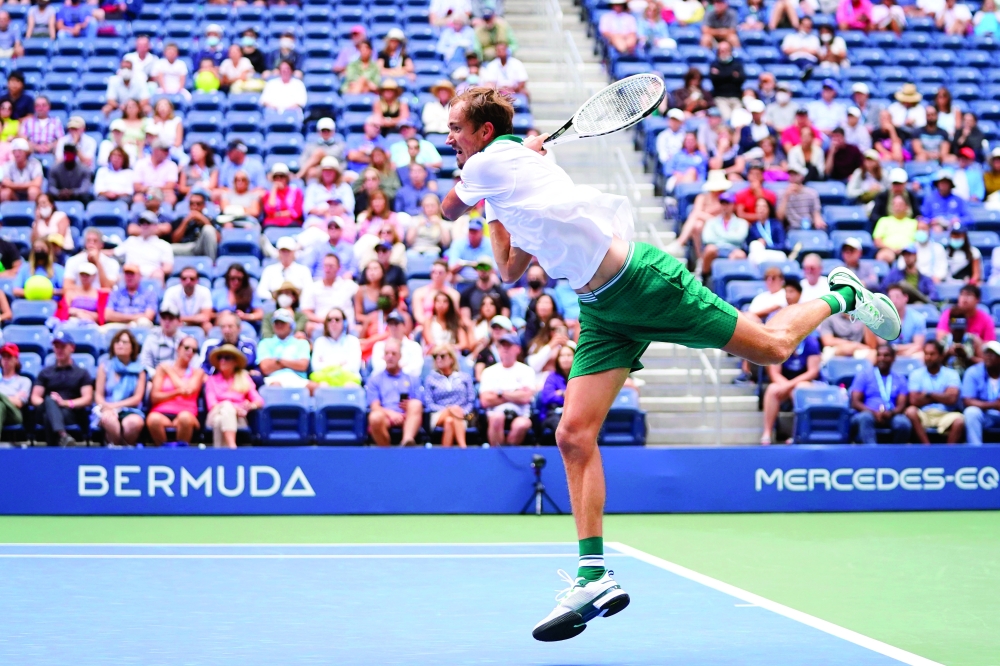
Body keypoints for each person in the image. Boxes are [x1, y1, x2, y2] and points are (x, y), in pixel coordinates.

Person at [440, 88, 899, 638]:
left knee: (773, 348)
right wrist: (495, 212)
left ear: (485, 133)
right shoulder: (507, 174)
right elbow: (511, 269)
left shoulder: (495, 162)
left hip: (644, 283)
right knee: (573, 435)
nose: (449, 139)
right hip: (603, 312)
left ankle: (841, 295)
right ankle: (593, 575)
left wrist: (495, 180)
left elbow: (446, 207)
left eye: (456, 129)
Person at [31, 330, 93, 447]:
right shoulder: (45, 372)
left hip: (70, 413)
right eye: (56, 346)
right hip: (45, 407)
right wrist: (51, 404)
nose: (59, 350)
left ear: (72, 348)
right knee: (50, 400)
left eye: (63, 346)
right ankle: (63, 435)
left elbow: (88, 398)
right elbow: (35, 397)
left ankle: (54, 450)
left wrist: (64, 403)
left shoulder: (82, 373)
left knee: (48, 415)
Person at [760, 332, 821, 445]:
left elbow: (813, 372)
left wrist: (791, 386)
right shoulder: (776, 342)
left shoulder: (811, 342)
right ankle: (767, 433)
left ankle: (797, 434)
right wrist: (787, 386)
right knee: (772, 389)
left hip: (803, 382)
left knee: (800, 390)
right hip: (782, 382)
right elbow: (774, 374)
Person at [478, 332, 536, 446]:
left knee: (521, 425)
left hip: (521, 413)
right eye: (502, 345)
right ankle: (497, 456)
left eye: (508, 345)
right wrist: (515, 393)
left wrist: (499, 393)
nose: (505, 348)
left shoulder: (527, 370)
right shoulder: (489, 372)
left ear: (518, 349)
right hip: (495, 412)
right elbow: (485, 401)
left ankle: (508, 455)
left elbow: (526, 397)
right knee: (497, 418)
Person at [146, 335, 204, 446]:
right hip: (161, 412)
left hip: (188, 413)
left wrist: (170, 372)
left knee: (184, 418)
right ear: (178, 348)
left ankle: (181, 453)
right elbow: (154, 397)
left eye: (194, 350)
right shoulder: (161, 370)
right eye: (187, 348)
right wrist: (177, 392)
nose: (190, 352)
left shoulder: (197, 372)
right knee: (153, 419)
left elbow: (188, 391)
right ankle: (164, 453)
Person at [366, 337, 424, 446]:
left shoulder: (412, 379)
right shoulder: (375, 380)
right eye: (387, 353)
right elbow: (375, 406)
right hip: (386, 416)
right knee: (374, 417)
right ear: (383, 356)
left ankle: (407, 441)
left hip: (407, 416)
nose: (390, 357)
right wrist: (392, 414)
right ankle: (387, 451)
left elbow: (419, 403)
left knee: (415, 404)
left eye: (393, 353)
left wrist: (408, 407)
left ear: (400, 356)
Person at [94, 329, 146, 447]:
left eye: (124, 342)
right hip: (105, 409)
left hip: (130, 410)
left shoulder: (139, 370)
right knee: (109, 420)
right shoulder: (105, 367)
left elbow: (137, 398)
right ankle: (119, 451)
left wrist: (114, 406)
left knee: (133, 423)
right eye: (117, 342)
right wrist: (106, 408)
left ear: (132, 348)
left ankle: (122, 451)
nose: (120, 344)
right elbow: (98, 395)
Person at [850, 343, 911, 444]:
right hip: (867, 412)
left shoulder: (900, 378)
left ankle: (895, 454)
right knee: (865, 418)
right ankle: (872, 453)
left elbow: (902, 404)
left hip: (891, 414)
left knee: (903, 423)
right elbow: (855, 402)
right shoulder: (864, 375)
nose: (882, 358)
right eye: (879, 355)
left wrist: (891, 413)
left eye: (886, 355)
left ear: (893, 358)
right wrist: (874, 413)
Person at [205, 344, 263, 449]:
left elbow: (259, 401)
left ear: (235, 362)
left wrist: (250, 406)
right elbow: (212, 405)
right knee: (226, 406)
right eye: (220, 357)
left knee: (220, 420)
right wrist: (234, 407)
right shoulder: (211, 380)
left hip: (238, 419)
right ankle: (232, 448)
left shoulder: (244, 378)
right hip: (214, 414)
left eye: (227, 358)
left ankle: (220, 457)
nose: (222, 360)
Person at [906, 340, 964, 445]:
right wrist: (942, 395)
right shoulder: (916, 374)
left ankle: (948, 455)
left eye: (932, 354)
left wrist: (928, 394)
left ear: (941, 356)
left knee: (959, 421)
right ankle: (927, 449)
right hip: (924, 414)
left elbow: (951, 399)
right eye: (926, 354)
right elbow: (914, 400)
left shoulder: (952, 374)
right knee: (910, 411)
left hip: (946, 414)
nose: (928, 357)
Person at [423, 343, 476, 448]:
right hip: (438, 415)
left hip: (462, 416)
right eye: (435, 356)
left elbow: (471, 400)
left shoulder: (465, 377)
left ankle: (445, 459)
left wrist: (462, 412)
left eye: (442, 356)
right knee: (453, 411)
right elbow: (429, 403)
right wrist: (448, 410)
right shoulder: (430, 379)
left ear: (452, 359)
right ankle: (463, 448)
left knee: (449, 422)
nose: (438, 359)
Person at [258, 309, 311, 388]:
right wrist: (292, 363)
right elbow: (265, 368)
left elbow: (303, 365)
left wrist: (279, 361)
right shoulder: (265, 343)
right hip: (273, 378)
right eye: (276, 322)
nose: (279, 325)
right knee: (275, 386)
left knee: (316, 387)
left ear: (291, 325)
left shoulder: (302, 343)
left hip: (298, 379)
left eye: (282, 323)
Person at [700, 190, 748, 280]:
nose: (725, 206)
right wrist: (728, 236)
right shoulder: (711, 222)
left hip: (733, 249)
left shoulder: (742, 223)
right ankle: (704, 277)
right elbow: (707, 238)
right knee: (710, 249)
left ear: (733, 205)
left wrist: (719, 235)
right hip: (716, 249)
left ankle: (727, 277)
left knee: (740, 255)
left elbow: (739, 238)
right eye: (722, 203)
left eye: (728, 203)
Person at [961, 340, 1000, 446]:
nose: (988, 356)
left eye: (993, 354)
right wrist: (994, 405)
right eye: (986, 353)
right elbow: (967, 401)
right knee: (971, 412)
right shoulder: (973, 372)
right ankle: (976, 451)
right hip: (984, 415)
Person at [114, 212, 173, 281]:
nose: (145, 225)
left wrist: (159, 271)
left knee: (158, 275)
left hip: (151, 275)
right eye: (142, 223)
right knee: (117, 277)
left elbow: (168, 267)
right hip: (131, 273)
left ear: (155, 226)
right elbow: (114, 253)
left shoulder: (164, 245)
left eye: (148, 223)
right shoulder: (131, 240)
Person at [311, 308, 362, 377]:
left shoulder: (353, 341)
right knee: (322, 386)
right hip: (324, 378)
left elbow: (354, 367)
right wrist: (340, 363)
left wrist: (326, 362)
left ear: (344, 322)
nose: (333, 322)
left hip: (348, 378)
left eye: (337, 319)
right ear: (326, 323)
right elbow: (315, 367)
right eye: (329, 320)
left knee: (350, 386)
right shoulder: (319, 341)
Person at [371, 310, 423, 376]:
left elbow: (415, 371)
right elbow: (378, 368)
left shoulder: (414, 347)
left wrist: (394, 369)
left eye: (396, 324)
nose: (393, 327)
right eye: (390, 324)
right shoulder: (379, 346)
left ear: (404, 327)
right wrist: (401, 366)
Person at [105, 264, 157, 330]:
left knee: (144, 322)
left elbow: (148, 316)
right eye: (127, 274)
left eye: (132, 274)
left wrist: (119, 316)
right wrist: (133, 317)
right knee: (103, 330)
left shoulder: (149, 294)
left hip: (138, 324)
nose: (129, 277)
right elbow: (107, 315)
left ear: (139, 276)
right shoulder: (115, 293)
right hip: (118, 325)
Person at [162, 267, 214, 333]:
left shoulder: (204, 291)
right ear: (180, 280)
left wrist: (181, 318)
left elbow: (206, 317)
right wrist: (195, 318)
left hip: (197, 324)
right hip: (177, 323)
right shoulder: (171, 292)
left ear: (197, 280)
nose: (188, 281)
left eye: (192, 279)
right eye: (184, 278)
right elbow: (167, 315)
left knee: (207, 326)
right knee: (168, 323)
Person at [885, 284, 927, 358]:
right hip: (888, 354)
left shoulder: (918, 318)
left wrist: (897, 349)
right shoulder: (882, 318)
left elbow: (918, 345)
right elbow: (880, 345)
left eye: (897, 297)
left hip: (910, 352)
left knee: (920, 355)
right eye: (890, 297)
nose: (893, 300)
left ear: (906, 298)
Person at [873, 195, 918, 263]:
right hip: (888, 250)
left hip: (909, 251)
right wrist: (892, 249)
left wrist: (904, 249)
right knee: (883, 256)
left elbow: (918, 241)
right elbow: (877, 241)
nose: (897, 207)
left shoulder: (914, 222)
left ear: (906, 207)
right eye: (895, 204)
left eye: (900, 204)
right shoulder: (883, 220)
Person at [139, 304, 183, 372]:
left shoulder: (184, 340)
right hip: (154, 377)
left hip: (178, 378)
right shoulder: (151, 338)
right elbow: (145, 363)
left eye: (171, 318)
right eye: (164, 318)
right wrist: (156, 376)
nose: (167, 321)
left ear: (179, 321)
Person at [707, 42, 744, 120]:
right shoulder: (714, 64)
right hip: (720, 98)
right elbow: (714, 79)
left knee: (738, 119)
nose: (723, 52)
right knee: (727, 118)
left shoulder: (737, 65)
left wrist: (721, 74)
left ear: (730, 51)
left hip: (736, 97)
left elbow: (741, 79)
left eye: (725, 50)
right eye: (720, 50)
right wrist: (731, 75)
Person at [0, 343, 29, 439]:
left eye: (9, 357)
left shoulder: (24, 381)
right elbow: (14, 399)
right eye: (4, 357)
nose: (6, 360)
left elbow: (18, 403)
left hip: (14, 414)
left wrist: (2, 396)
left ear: (16, 360)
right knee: (1, 406)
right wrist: (12, 397)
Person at [262, 163, 304, 227]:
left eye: (282, 176)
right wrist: (274, 190)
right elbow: (269, 211)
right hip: (273, 223)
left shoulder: (296, 192)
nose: (279, 179)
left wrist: (277, 214)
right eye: (276, 177)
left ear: (286, 178)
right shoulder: (268, 194)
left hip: (291, 223)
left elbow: (296, 212)